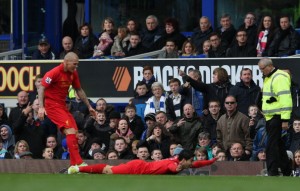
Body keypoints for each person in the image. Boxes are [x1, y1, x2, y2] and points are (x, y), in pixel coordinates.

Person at [38, 52, 96, 166]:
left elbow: (79, 89)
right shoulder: (53, 72)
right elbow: (41, 88)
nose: (76, 67)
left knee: (74, 133)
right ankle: (78, 162)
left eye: (77, 64)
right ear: (66, 62)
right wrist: (41, 107)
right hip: (52, 106)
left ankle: (74, 164)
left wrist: (89, 106)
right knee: (70, 131)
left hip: (62, 106)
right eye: (74, 64)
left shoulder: (73, 73)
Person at [258, 57, 292, 176]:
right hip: (270, 117)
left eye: (262, 69)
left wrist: (285, 120)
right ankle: (287, 171)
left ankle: (272, 172)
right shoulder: (270, 77)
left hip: (277, 117)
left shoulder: (279, 78)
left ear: (269, 66)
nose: (261, 71)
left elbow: (285, 99)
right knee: (278, 146)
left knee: (271, 146)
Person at [68, 149, 217, 175]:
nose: (192, 162)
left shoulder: (178, 160)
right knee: (108, 171)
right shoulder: (174, 164)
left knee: (108, 168)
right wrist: (177, 170)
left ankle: (84, 169)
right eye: (189, 160)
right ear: (183, 159)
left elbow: (195, 164)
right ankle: (77, 169)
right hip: (137, 169)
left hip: (139, 165)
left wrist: (211, 161)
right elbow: (172, 169)